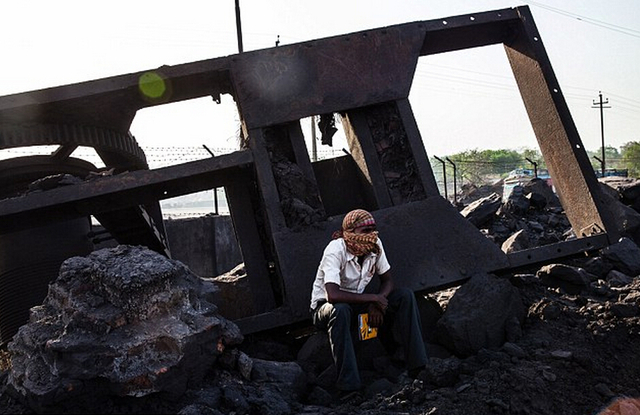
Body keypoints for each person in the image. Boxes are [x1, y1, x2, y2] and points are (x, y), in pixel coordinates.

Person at [309, 208, 428, 396]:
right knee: (340, 310)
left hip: (357, 303)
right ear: (350, 232)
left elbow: (388, 280)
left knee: (405, 296)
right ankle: (349, 386)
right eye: (365, 230)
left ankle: (418, 366)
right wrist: (374, 298)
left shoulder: (375, 245)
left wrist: (376, 305)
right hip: (325, 308)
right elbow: (332, 295)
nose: (371, 234)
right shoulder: (335, 249)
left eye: (373, 229)